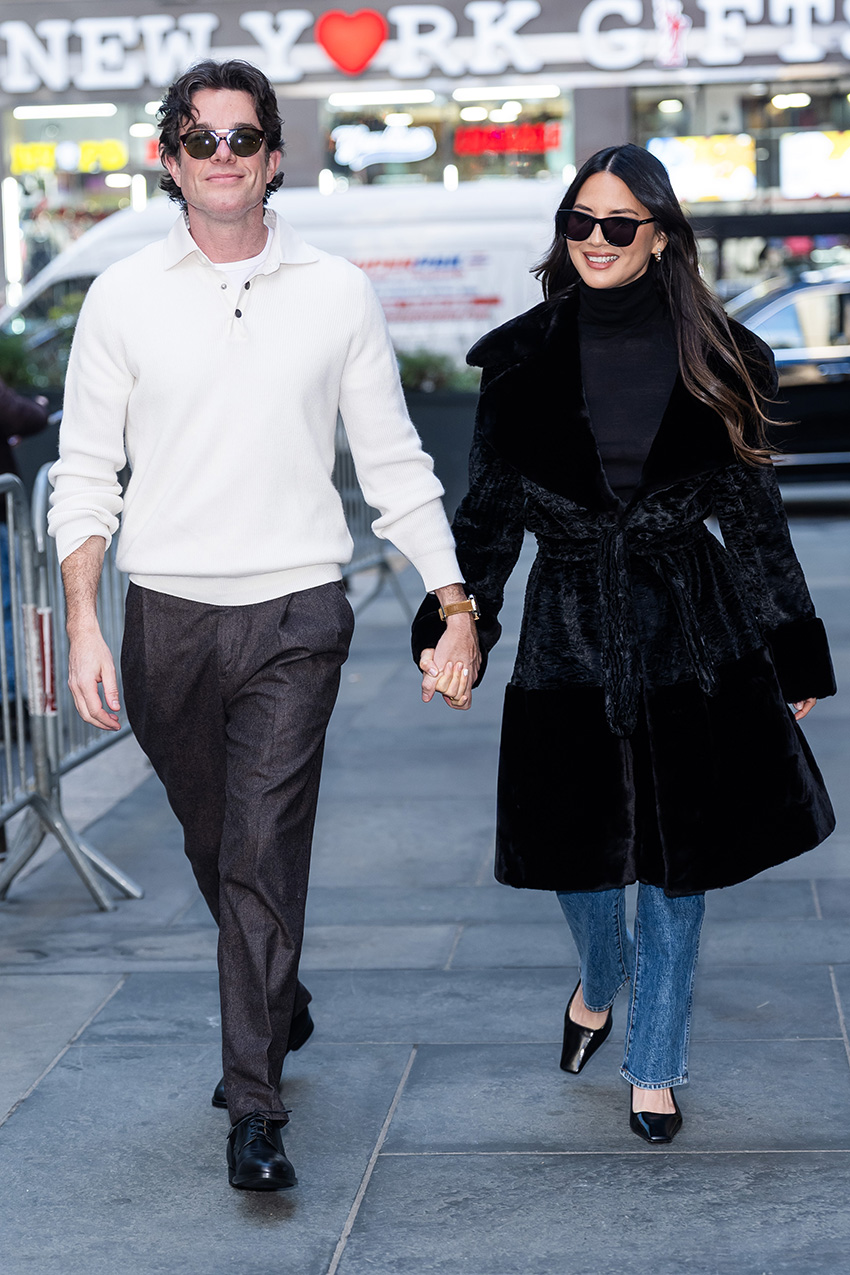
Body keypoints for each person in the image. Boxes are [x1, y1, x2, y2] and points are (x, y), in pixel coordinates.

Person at [48, 58, 479, 1191]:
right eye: (200, 140)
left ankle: (255, 1109)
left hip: (296, 613)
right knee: (214, 846)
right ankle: (277, 1001)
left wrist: (454, 597)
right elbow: (85, 472)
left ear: (276, 157)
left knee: (259, 851)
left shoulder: (335, 292)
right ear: (169, 160)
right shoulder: (123, 298)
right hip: (168, 623)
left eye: (243, 139)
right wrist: (86, 627)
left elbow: (393, 461)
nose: (223, 157)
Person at [414, 143, 835, 1145]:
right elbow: (489, 514)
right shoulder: (519, 359)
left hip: (694, 630)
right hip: (567, 631)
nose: (594, 241)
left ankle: (654, 1067)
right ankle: (598, 983)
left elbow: (756, 517)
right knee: (580, 860)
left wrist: (793, 645)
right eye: (579, 222)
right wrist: (459, 623)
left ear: (659, 238)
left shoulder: (721, 352)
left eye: (617, 225)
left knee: (678, 865)